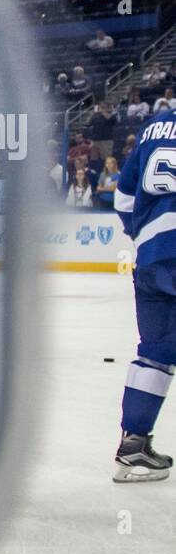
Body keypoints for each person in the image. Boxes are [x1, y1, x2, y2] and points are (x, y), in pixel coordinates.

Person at [112, 110, 176, 481]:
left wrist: (145, 238)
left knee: (155, 351)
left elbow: (123, 198)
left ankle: (133, 447)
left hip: (152, 258)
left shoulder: (154, 126)